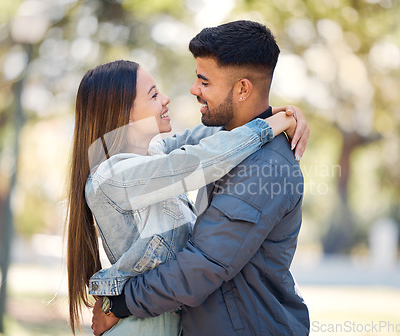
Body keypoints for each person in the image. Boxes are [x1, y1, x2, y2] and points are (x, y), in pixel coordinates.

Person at [90, 20, 311, 336]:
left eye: (204, 81)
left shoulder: (265, 168)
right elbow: (192, 148)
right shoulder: (223, 141)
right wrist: (282, 117)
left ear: (243, 89)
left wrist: (121, 303)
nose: (193, 90)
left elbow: (202, 265)